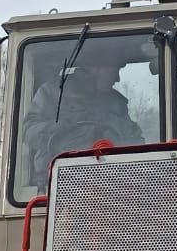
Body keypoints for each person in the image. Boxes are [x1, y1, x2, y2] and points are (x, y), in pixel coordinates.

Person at [22, 55, 143, 192]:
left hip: (111, 183)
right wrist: (60, 131)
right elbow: (29, 130)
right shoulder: (52, 93)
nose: (117, 79)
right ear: (96, 68)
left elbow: (131, 138)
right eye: (115, 70)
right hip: (58, 184)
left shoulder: (116, 103)